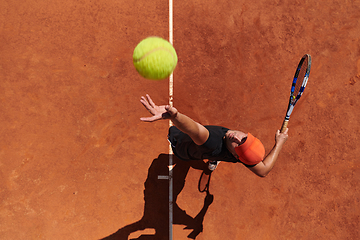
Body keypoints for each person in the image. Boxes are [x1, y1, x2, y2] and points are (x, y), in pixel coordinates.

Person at [140, 94, 289, 177]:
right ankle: (214, 160)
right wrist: (279, 143)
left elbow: (194, 129)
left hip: (182, 148)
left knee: (186, 142)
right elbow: (263, 170)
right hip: (218, 153)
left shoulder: (212, 141)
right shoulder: (243, 156)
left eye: (239, 144)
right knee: (213, 154)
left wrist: (175, 117)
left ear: (237, 156)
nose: (236, 137)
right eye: (244, 138)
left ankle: (211, 157)